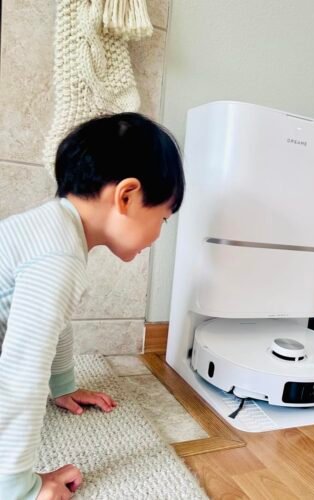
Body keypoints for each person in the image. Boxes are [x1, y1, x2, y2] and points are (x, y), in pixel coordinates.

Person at [0, 112, 185, 499]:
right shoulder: (58, 256)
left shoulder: (53, 231)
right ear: (127, 196)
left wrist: (62, 385)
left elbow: (55, 324)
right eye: (163, 219)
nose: (158, 233)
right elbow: (21, 371)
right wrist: (18, 485)